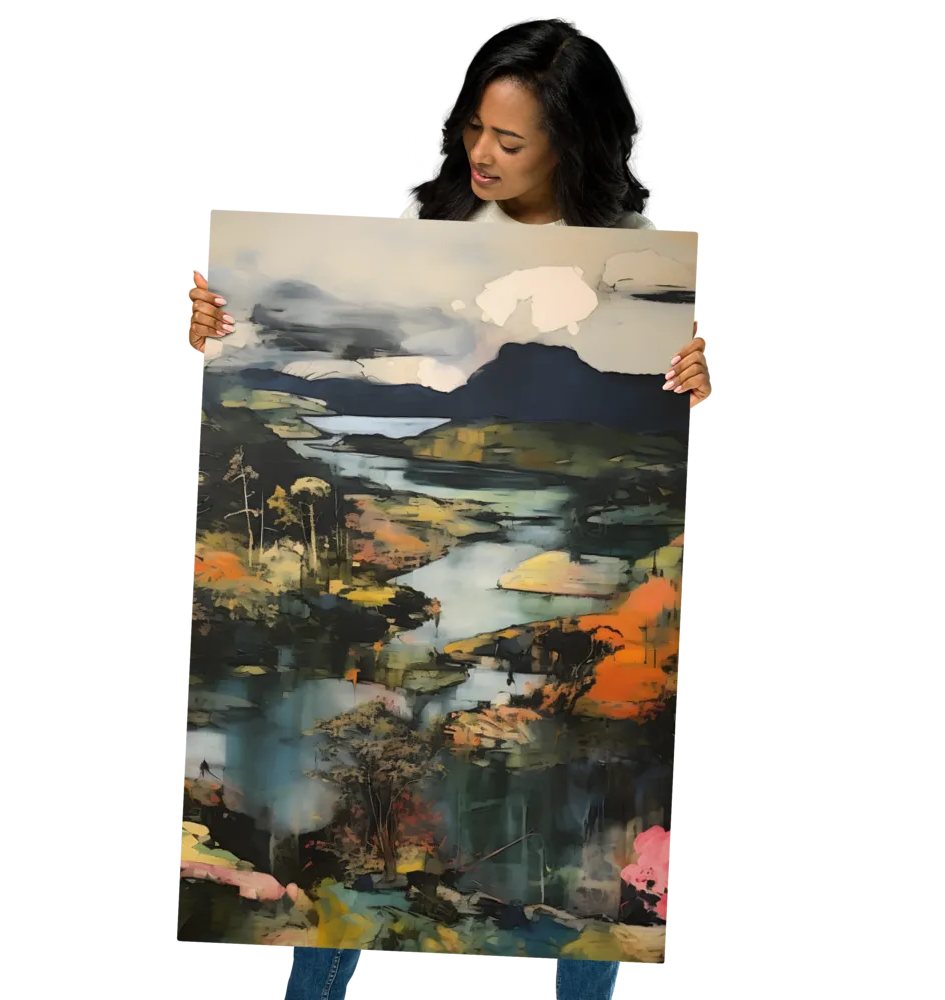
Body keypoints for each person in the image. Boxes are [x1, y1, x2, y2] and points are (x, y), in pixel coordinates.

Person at [188, 13, 689, 999]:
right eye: (473, 129)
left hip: (606, 644)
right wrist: (212, 329)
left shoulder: (651, 267)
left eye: (510, 140)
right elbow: (269, 357)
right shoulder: (422, 236)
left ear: (570, 143)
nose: (481, 154)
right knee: (330, 867)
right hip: (403, 642)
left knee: (584, 890)